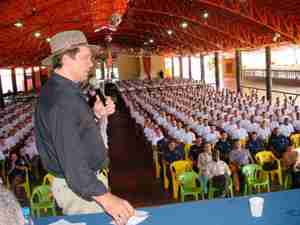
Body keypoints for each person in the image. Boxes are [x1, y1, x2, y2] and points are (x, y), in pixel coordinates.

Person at [35, 30, 134, 224]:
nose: (91, 64)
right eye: (86, 58)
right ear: (66, 58)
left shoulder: (62, 90)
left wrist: (95, 115)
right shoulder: (62, 100)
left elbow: (74, 132)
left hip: (85, 185)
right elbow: (72, 160)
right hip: (81, 189)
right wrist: (106, 198)